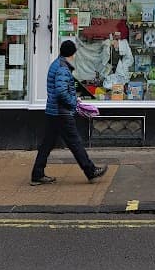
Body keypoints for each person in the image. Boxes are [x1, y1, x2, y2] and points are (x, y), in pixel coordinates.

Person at [30, 39, 107, 185]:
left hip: (54, 111)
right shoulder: (62, 68)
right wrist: (73, 102)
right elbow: (61, 92)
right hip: (61, 112)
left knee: (47, 144)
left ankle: (37, 174)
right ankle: (90, 171)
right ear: (71, 54)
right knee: (75, 142)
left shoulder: (57, 64)